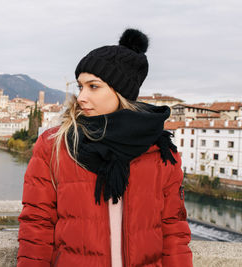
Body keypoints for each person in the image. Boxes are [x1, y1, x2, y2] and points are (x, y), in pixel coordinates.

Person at [17, 28, 193, 267]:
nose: (81, 97)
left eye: (94, 86)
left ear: (120, 91)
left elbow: (174, 231)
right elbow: (36, 226)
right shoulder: (55, 145)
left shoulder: (160, 151)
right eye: (80, 86)